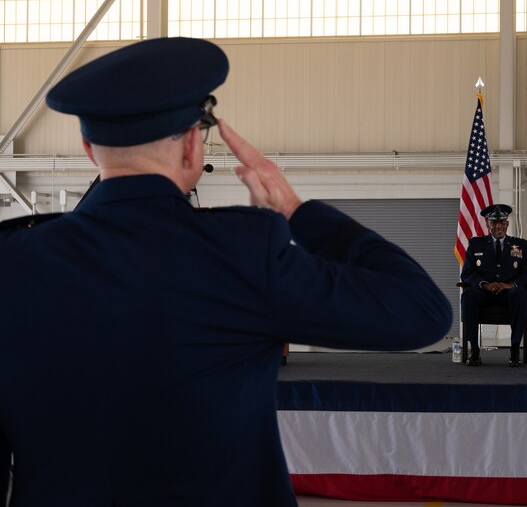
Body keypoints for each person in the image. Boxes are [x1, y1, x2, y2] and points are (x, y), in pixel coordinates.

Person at [0, 37, 451, 506]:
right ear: (193, 146)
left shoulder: (12, 262)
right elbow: (421, 311)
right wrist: (296, 210)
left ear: (89, 147)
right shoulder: (243, 253)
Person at [460, 204, 527, 367]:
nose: (498, 226)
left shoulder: (521, 245)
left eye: (501, 222)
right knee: (468, 295)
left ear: (507, 224)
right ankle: (474, 350)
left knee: (519, 294)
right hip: (484, 293)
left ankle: (515, 351)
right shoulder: (476, 244)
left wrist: (511, 285)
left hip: (509, 294)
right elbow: (467, 273)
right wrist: (484, 284)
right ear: (487, 224)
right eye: (493, 222)